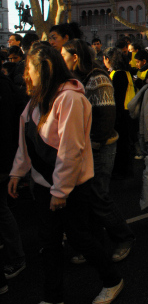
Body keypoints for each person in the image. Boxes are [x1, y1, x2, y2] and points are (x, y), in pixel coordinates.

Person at [8, 43, 123, 304]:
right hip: (44, 184)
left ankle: (112, 279)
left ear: (44, 69)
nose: (26, 74)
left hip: (71, 187)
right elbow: (26, 138)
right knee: (49, 243)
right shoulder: (37, 99)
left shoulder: (71, 99)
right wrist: (18, 171)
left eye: (29, 68)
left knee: (80, 238)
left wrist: (60, 191)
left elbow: (70, 149)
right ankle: (53, 297)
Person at [61, 40, 136, 263]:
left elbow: (106, 117)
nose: (61, 58)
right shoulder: (74, 77)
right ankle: (94, 245)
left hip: (100, 146)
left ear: (75, 57)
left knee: (98, 196)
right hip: (82, 146)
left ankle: (124, 237)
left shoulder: (98, 78)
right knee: (86, 199)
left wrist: (94, 144)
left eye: (64, 54)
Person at [0, 72, 26, 282]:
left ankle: (16, 257)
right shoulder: (7, 85)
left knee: (1, 210)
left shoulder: (4, 87)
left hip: (3, 158)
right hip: (7, 157)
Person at [103, 47, 136, 179]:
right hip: (126, 112)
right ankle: (123, 169)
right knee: (124, 143)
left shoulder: (118, 74)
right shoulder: (125, 72)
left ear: (107, 59)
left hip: (122, 113)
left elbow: (118, 97)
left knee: (121, 144)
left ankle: (121, 170)